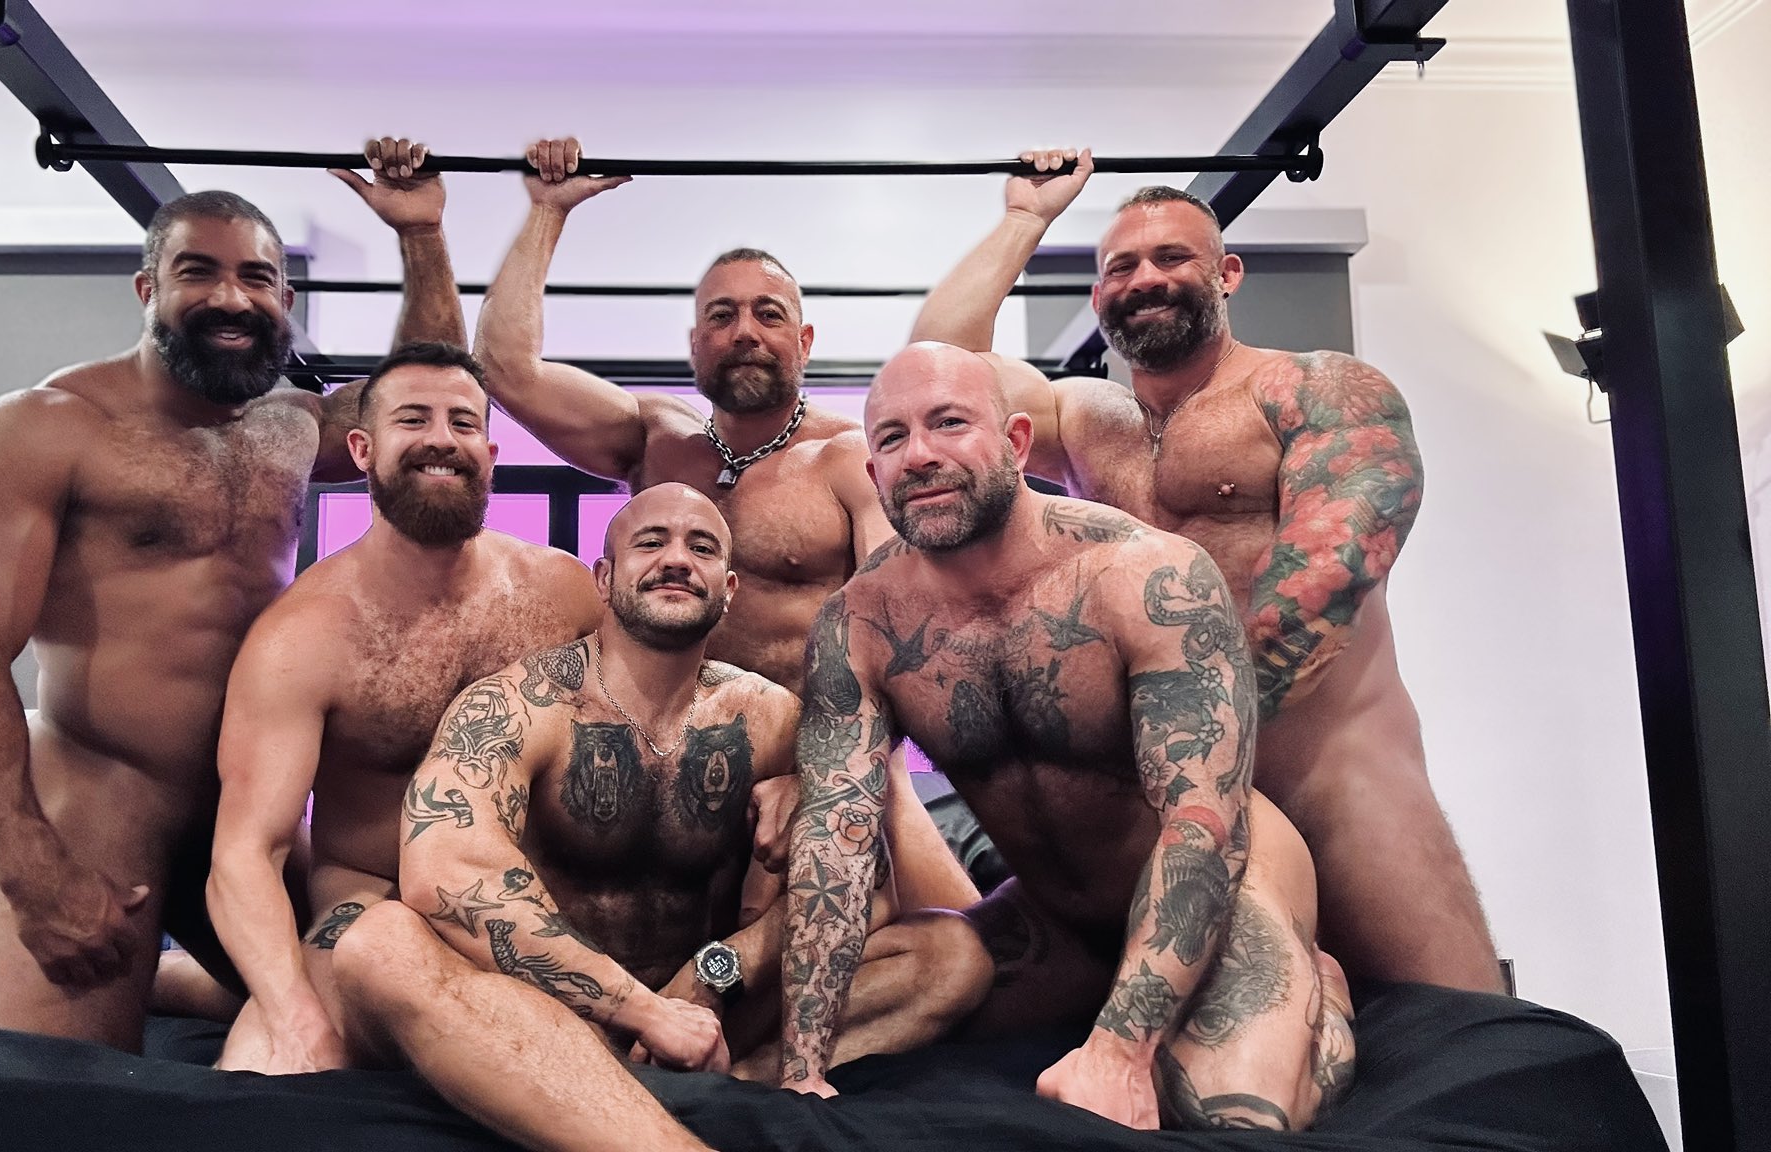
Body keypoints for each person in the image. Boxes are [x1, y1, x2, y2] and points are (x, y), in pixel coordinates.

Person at [0, 138, 463, 1051]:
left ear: (284, 300)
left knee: (377, 1013)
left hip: (240, 805)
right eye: (198, 272)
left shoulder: (287, 429)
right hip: (100, 794)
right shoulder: (45, 430)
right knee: (59, 1092)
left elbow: (423, 390)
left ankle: (165, 984)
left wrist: (421, 236)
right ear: (147, 289)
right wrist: (28, 868)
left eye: (256, 277)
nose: (231, 297)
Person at [906, 149, 1500, 993]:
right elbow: (937, 369)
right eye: (1122, 267)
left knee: (1458, 1024)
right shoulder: (1085, 421)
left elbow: (1323, 587)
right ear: (1098, 297)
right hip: (1175, 803)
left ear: (1227, 274)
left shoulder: (1316, 389)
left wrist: (1177, 751)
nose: (1146, 278)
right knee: (1226, 1038)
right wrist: (1025, 219)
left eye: (1172, 257)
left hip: (1330, 779)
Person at [779, 343, 1355, 1131]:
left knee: (1226, 1111)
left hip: (1219, 882)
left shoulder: (1144, 575)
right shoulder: (860, 623)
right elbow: (834, 842)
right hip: (1058, 918)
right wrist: (803, 1071)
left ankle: (1319, 992)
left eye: (949, 423)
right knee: (881, 1000)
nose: (920, 455)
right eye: (892, 438)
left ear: (1016, 442)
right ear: (874, 473)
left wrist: (1117, 1052)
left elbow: (1204, 825)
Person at [329, 485, 991, 1152]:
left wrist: (716, 974)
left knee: (950, 954)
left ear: (728, 589)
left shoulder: (768, 717)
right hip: (546, 1017)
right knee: (378, 943)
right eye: (651, 543)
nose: (677, 559)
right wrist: (641, 1010)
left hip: (710, 1023)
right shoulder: (520, 705)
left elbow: (865, 888)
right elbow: (447, 874)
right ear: (604, 577)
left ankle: (681, 1096)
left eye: (701, 548)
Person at [473, 136, 979, 919]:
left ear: (803, 343)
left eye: (768, 314)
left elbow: (904, 630)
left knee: (954, 950)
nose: (745, 331)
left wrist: (829, 772)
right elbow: (505, 368)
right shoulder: (656, 441)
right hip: (672, 775)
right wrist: (547, 211)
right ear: (694, 344)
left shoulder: (851, 463)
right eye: (722, 315)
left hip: (817, 765)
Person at [206, 341, 603, 1074]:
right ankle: (220, 996)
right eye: (413, 419)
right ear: (363, 448)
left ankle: (190, 986)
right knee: (268, 1074)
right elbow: (245, 855)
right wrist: (294, 1016)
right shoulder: (304, 636)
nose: (441, 440)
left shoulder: (565, 593)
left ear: (490, 453)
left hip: (537, 905)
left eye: (462, 423)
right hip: (374, 903)